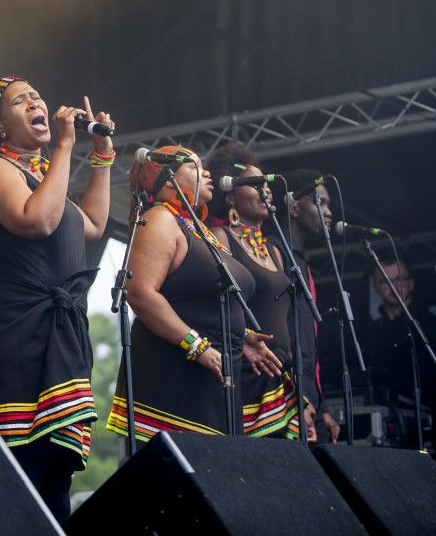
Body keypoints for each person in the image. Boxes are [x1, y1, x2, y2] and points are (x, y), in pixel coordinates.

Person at [0, 75, 114, 523]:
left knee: (56, 473)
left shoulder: (44, 174)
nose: (35, 101)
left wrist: (101, 155)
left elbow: (89, 226)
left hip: (59, 330)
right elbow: (38, 223)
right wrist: (66, 147)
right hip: (14, 329)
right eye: (19, 100)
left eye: (35, 95)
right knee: (22, 468)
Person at [106, 145, 277, 444]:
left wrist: (240, 335)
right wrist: (196, 345)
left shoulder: (194, 228)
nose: (207, 172)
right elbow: (141, 293)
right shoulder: (159, 219)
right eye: (194, 166)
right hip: (177, 376)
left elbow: (193, 297)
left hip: (213, 374)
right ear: (169, 179)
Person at [206, 143, 303, 439]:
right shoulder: (219, 238)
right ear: (231, 195)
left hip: (282, 377)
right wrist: (243, 340)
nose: (266, 190)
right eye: (254, 184)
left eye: (266, 184)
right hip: (250, 376)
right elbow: (214, 302)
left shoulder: (276, 248)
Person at [270, 168, 341, 445]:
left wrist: (321, 408)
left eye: (329, 205)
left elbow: (307, 345)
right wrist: (301, 396)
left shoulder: (299, 259)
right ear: (294, 207)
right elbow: (283, 337)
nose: (328, 212)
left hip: (308, 398)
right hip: (291, 398)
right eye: (319, 203)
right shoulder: (276, 255)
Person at [364, 257, 436, 432]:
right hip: (385, 414)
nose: (394, 286)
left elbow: (435, 373)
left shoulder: (427, 322)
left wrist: (398, 393)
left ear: (411, 282)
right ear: (376, 287)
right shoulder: (374, 330)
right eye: (386, 282)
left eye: (399, 279)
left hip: (421, 417)